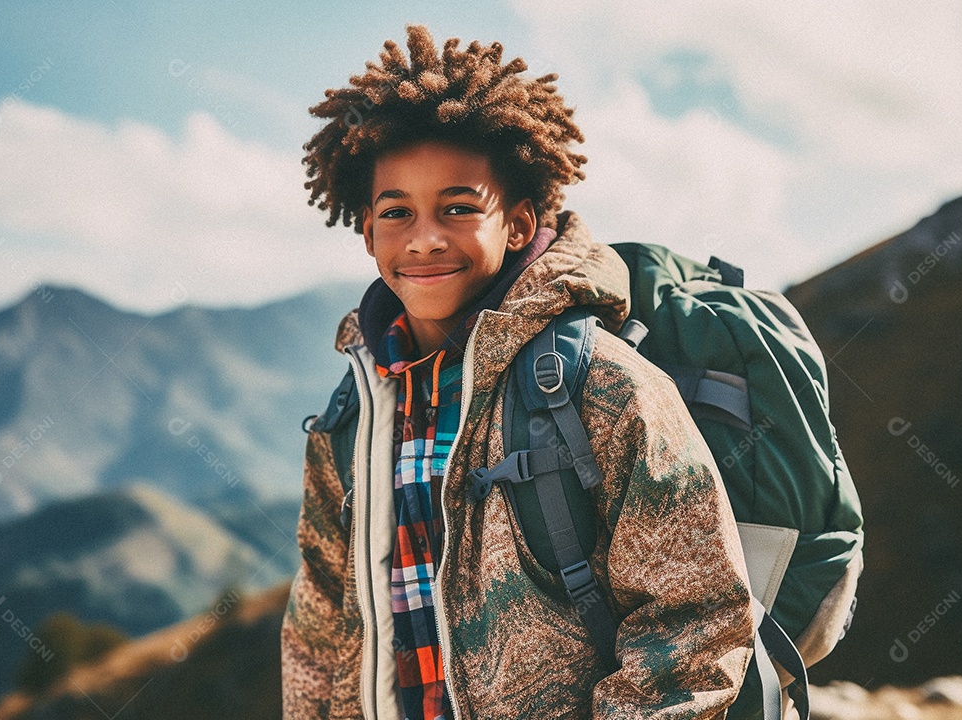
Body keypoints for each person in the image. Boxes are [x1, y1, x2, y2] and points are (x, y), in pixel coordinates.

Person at [282, 23, 755, 720]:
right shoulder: (353, 415)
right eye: (396, 213)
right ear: (367, 231)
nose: (425, 237)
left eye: (459, 208)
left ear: (519, 221)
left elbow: (695, 623)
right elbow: (320, 638)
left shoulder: (602, 386)